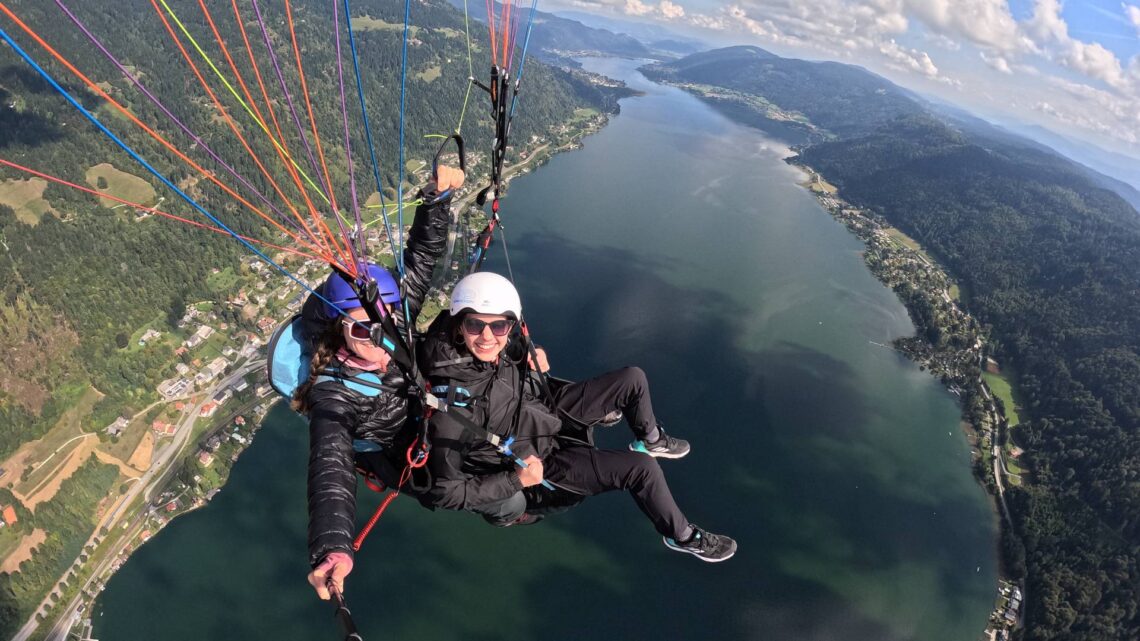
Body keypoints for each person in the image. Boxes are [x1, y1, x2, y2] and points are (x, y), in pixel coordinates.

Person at [418, 271, 737, 562]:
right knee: (641, 470)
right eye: (476, 324)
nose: (487, 337)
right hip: (536, 462)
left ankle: (651, 439)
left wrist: (527, 354)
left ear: (510, 325)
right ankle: (682, 536)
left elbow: (504, 357)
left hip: (541, 415)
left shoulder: (488, 346)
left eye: (498, 325)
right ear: (460, 324)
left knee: (632, 379)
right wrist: (516, 480)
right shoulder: (453, 405)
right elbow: (444, 492)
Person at [294, 166, 464, 601]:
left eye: (384, 324)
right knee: (456, 483)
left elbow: (421, 260)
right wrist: (332, 546)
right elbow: (330, 461)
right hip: (393, 451)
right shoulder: (333, 388)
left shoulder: (390, 311)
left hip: (421, 410)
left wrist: (436, 200)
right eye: (361, 331)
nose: (378, 339)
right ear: (338, 331)